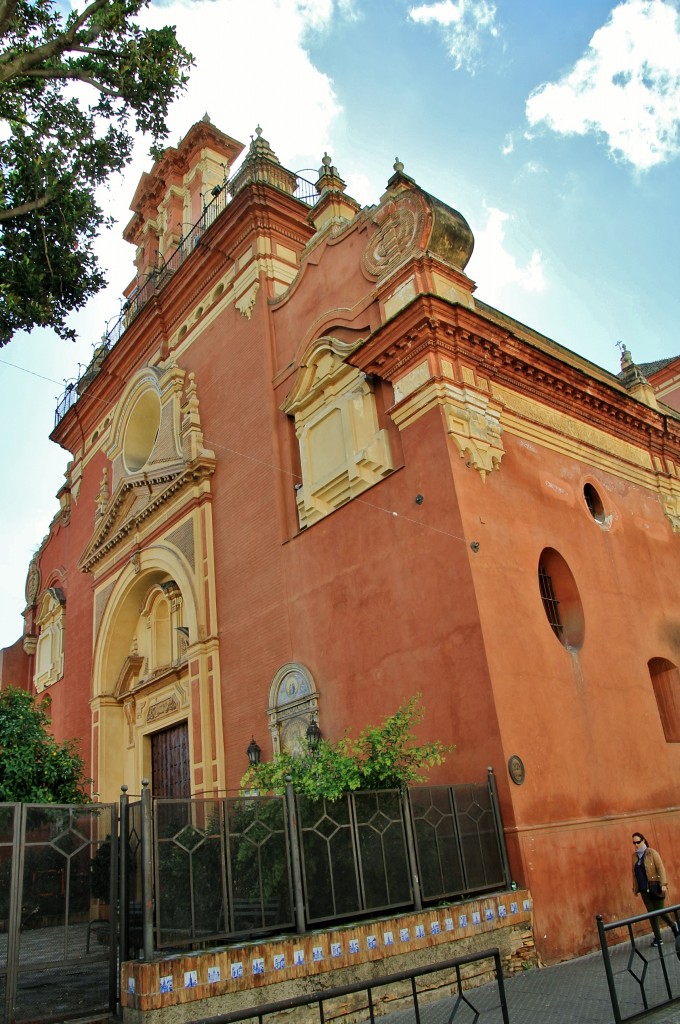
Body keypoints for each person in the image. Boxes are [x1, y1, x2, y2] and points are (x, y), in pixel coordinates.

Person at [632, 832, 679, 948]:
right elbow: (634, 873)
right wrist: (635, 888)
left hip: (655, 887)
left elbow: (660, 868)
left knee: (660, 911)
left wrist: (663, 884)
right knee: (651, 914)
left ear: (643, 841)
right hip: (644, 890)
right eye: (634, 843)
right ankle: (658, 938)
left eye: (638, 842)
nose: (636, 845)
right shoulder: (634, 856)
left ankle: (674, 927)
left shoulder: (651, 853)